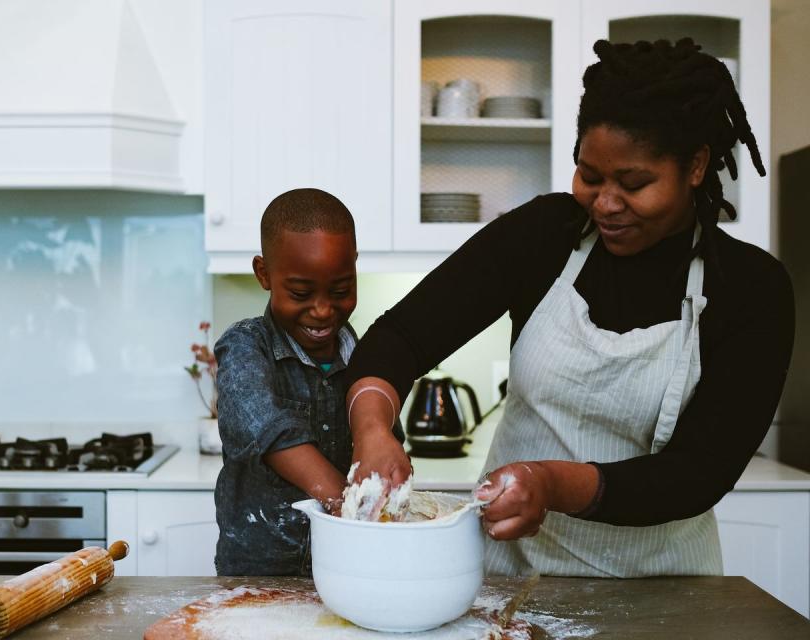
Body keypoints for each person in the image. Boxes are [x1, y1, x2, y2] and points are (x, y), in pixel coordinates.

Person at [343, 38, 795, 577]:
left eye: (634, 183)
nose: (604, 203)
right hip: (509, 576)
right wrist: (373, 430)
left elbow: (699, 472)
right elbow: (402, 337)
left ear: (696, 166)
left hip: (664, 594)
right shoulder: (544, 236)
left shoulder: (749, 287)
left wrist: (551, 484)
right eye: (590, 175)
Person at [213, 187, 402, 576]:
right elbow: (265, 427)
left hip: (349, 566)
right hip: (259, 572)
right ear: (264, 274)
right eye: (301, 292)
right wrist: (345, 503)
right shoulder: (245, 346)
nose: (321, 310)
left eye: (341, 291)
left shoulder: (369, 360)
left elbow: (384, 443)